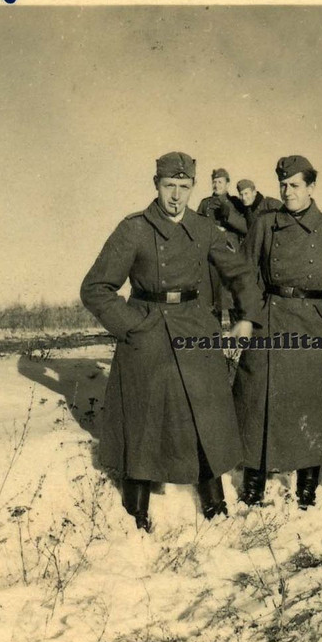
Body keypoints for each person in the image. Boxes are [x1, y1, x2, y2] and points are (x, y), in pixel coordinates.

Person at [80, 152, 261, 533]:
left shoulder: (203, 228)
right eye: (169, 186)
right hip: (148, 331)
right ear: (156, 185)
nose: (176, 196)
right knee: (143, 419)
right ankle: (136, 511)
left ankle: (214, 504)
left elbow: (241, 272)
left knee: (204, 415)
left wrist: (246, 318)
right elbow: (95, 288)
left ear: (192, 187)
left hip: (195, 327)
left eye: (184, 187)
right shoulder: (134, 229)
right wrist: (133, 326)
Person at [232, 155, 322, 510]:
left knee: (310, 406)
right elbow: (243, 275)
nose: (288, 192)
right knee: (256, 400)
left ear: (311, 187)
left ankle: (306, 490)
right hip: (269, 321)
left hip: (313, 326)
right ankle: (253, 486)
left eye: (295, 185)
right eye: (283, 185)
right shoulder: (265, 224)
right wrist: (246, 319)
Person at [197, 168, 249, 320]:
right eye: (214, 182)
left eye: (220, 182)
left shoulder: (236, 202)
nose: (216, 185)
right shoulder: (205, 203)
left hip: (230, 254)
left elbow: (245, 227)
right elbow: (197, 226)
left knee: (231, 296)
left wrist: (229, 215)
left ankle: (235, 329)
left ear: (227, 184)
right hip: (210, 257)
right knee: (211, 296)